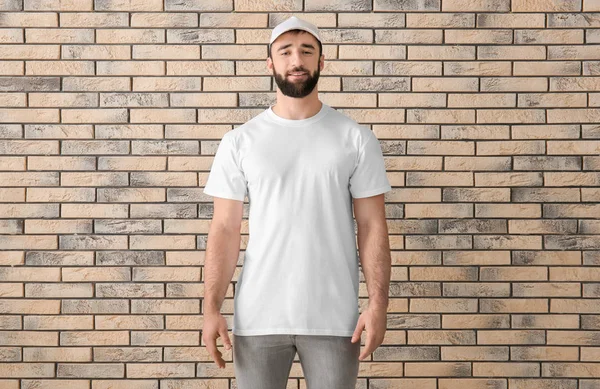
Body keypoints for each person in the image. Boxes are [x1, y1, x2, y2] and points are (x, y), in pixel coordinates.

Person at [201, 15, 392, 389]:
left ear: (322, 62)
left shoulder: (355, 139)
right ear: (270, 63)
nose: (296, 60)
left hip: (336, 320)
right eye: (285, 51)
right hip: (257, 319)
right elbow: (224, 229)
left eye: (307, 51)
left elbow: (372, 226)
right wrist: (210, 308)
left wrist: (378, 305)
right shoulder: (240, 141)